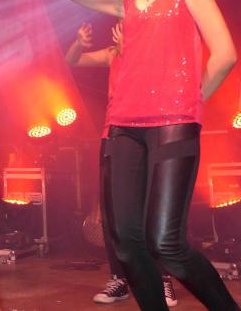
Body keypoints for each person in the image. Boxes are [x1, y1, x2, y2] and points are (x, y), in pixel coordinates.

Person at [41, 0, 238, 310]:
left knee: (166, 243)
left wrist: (190, 103)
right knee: (128, 245)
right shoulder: (124, 0)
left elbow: (225, 54)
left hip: (174, 124)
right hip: (123, 128)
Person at [66, 22, 177, 307]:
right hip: (113, 135)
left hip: (147, 136)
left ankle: (162, 278)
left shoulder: (155, 51)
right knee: (114, 212)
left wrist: (132, 51)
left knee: (150, 208)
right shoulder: (112, 53)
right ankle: (119, 278)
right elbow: (72, 60)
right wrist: (79, 42)